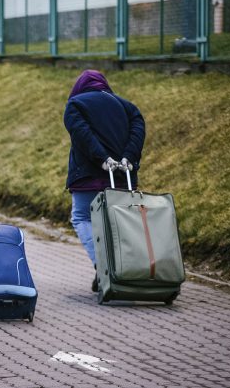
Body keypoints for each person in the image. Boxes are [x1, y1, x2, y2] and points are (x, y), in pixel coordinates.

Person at [63, 69, 145, 292]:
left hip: (88, 175)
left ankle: (102, 266)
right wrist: (127, 157)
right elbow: (138, 132)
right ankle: (128, 269)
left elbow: (82, 134)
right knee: (119, 223)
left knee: (81, 217)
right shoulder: (128, 106)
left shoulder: (76, 105)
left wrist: (103, 158)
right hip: (121, 176)